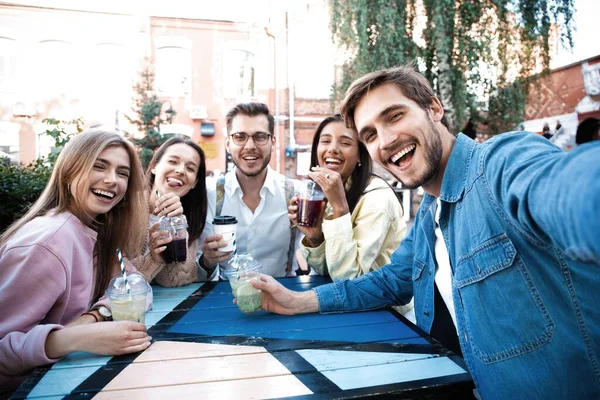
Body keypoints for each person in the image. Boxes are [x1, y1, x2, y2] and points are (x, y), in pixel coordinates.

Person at [249, 66, 600, 399]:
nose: (385, 140)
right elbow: (388, 282)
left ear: (434, 108)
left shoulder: (499, 162)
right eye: (369, 134)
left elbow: (567, 190)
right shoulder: (430, 212)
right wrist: (296, 302)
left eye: (395, 116)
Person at [0, 129, 152, 396]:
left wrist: (96, 315)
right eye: (99, 166)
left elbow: (137, 287)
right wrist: (72, 338)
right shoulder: (47, 243)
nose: (111, 180)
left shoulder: (96, 230)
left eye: (122, 173)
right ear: (70, 170)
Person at [290, 114, 407, 280]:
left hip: (384, 304)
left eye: (345, 143)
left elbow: (349, 279)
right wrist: (315, 238)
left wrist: (340, 209)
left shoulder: (378, 199)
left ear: (360, 154)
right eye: (325, 141)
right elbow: (328, 270)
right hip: (345, 300)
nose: (332, 149)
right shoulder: (329, 193)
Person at [200, 103, 301, 278]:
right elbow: (195, 270)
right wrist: (206, 261)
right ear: (228, 143)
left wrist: (314, 239)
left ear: (272, 142)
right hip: (223, 298)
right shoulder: (209, 195)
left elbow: (316, 260)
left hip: (283, 295)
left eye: (260, 136)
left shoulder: (294, 193)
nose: (250, 146)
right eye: (240, 137)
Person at [131, 137, 209, 286]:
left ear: (195, 183)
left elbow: (175, 281)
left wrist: (176, 227)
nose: (180, 170)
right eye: (173, 161)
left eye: (190, 168)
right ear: (154, 165)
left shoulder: (188, 219)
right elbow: (118, 280)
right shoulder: (126, 209)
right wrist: (152, 259)